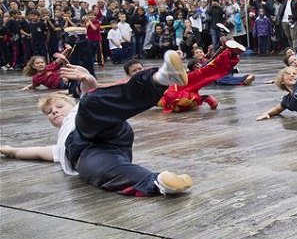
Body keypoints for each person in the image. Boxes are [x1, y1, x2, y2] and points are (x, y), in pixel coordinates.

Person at [0, 51, 193, 197]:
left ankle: (161, 79)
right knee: (103, 172)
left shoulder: (77, 113)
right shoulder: (59, 146)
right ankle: (159, 182)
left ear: (70, 104)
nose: (55, 111)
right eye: (50, 113)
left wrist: (87, 78)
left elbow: (90, 93)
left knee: (90, 103)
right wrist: (10, 150)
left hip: (104, 128)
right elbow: (35, 152)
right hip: (96, 154)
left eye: (59, 106)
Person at [158, 40, 245, 113]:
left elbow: (209, 67)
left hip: (179, 91)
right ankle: (205, 98)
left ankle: (230, 56)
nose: (198, 66)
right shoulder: (189, 73)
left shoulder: (199, 69)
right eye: (195, 66)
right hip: (176, 94)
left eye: (200, 52)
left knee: (211, 72)